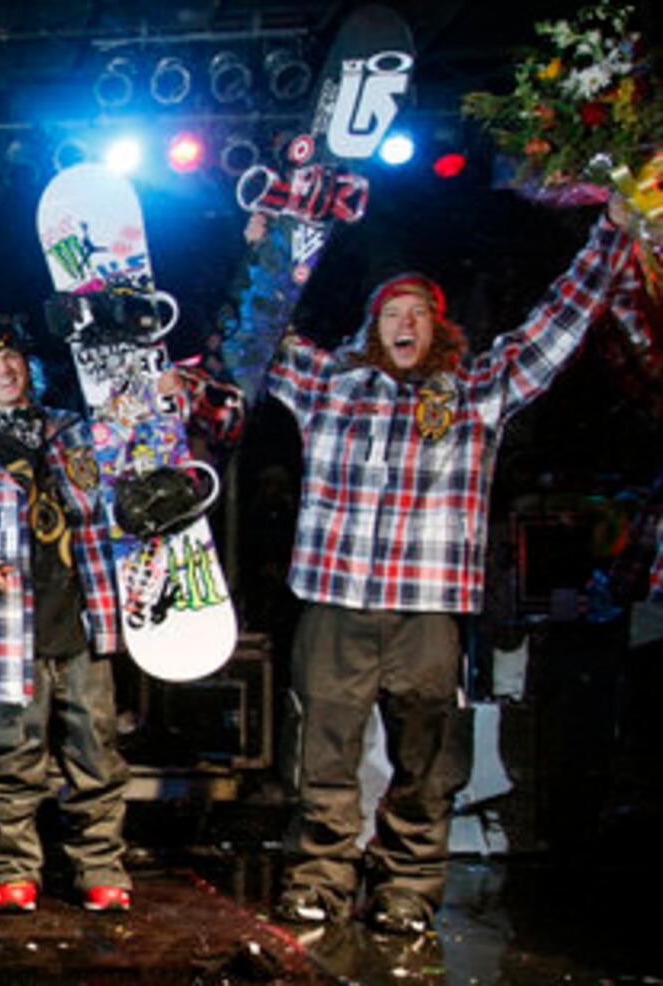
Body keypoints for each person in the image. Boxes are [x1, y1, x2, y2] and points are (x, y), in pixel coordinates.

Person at [253, 206, 637, 934]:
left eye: (418, 314)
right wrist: (273, 249)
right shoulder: (329, 384)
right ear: (373, 326)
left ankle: (407, 886)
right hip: (336, 602)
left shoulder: (473, 394)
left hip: (426, 611)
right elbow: (257, 338)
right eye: (392, 312)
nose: (404, 324)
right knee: (325, 758)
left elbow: (555, 328)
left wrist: (611, 234)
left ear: (438, 328)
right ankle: (320, 880)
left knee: (427, 761)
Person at [0, 321, 134, 912]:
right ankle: (14, 870)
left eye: (12, 361)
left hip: (80, 623)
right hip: (1, 631)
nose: (3, 371)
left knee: (95, 753)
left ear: (28, 370)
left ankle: (99, 868)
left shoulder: (70, 429)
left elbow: (112, 490)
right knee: (9, 760)